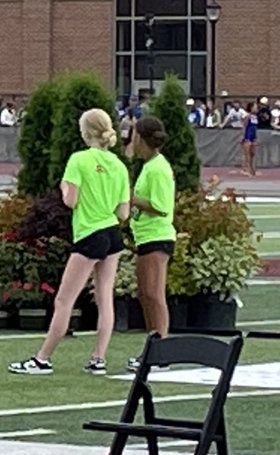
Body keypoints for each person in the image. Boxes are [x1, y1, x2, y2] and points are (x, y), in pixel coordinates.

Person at [9, 108, 130, 375]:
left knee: (65, 300)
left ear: (85, 132)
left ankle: (43, 358)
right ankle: (98, 358)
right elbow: (123, 212)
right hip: (111, 232)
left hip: (89, 233)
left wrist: (66, 187)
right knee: (105, 297)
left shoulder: (79, 160)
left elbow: (70, 200)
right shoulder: (119, 165)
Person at [127, 114, 176, 372]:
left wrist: (131, 199)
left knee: (154, 295)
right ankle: (152, 347)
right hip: (145, 236)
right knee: (145, 294)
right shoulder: (148, 166)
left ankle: (162, 352)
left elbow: (161, 206)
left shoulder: (158, 168)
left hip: (157, 236)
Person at [241, 101, 258, 177]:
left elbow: (255, 128)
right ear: (251, 108)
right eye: (255, 107)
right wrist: (243, 137)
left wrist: (255, 138)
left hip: (253, 136)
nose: (256, 109)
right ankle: (246, 169)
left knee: (253, 153)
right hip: (247, 136)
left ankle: (252, 168)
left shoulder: (255, 117)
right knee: (247, 154)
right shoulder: (247, 116)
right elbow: (244, 126)